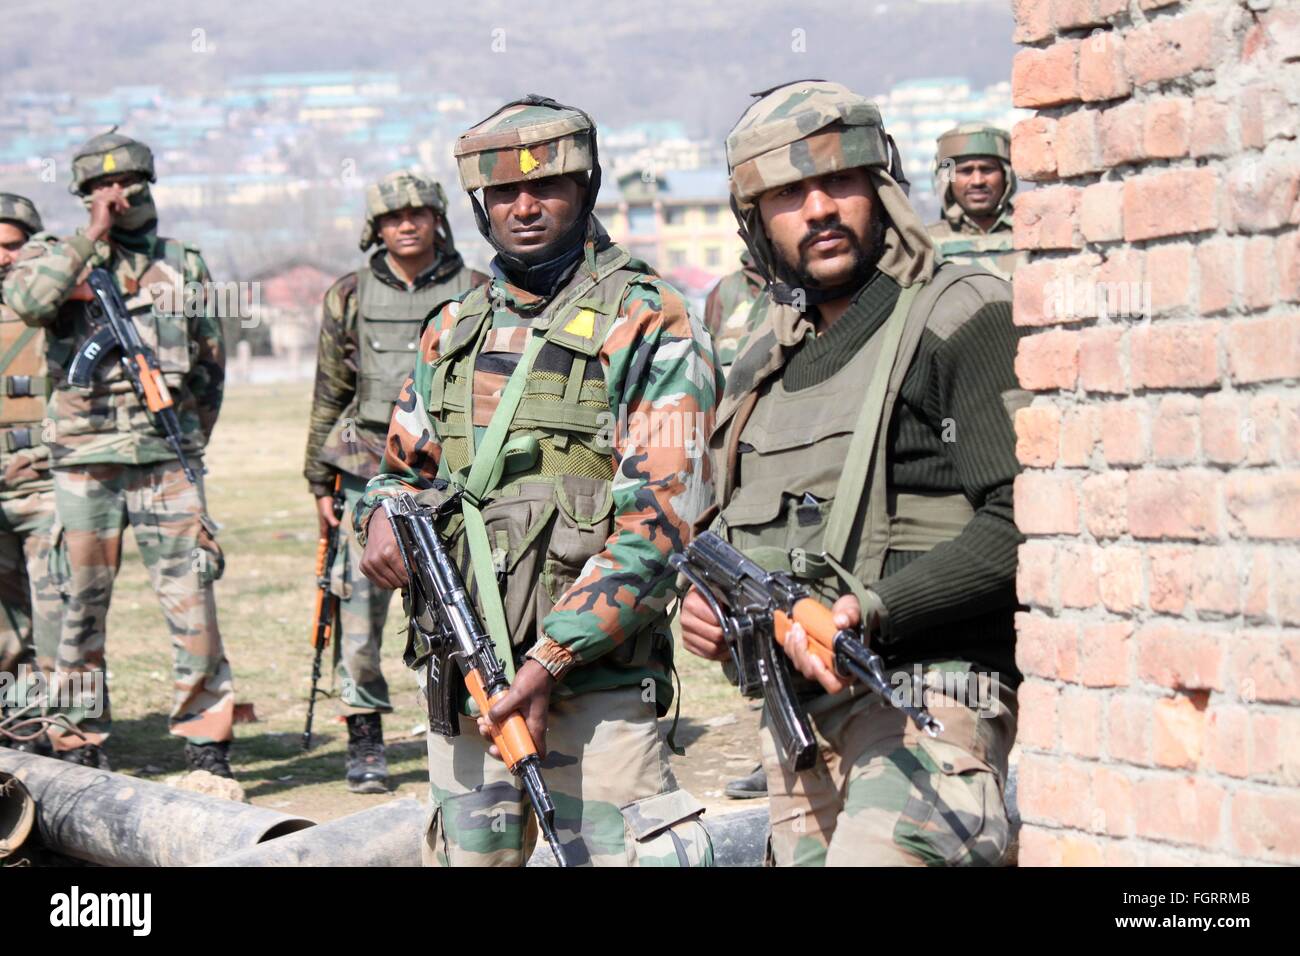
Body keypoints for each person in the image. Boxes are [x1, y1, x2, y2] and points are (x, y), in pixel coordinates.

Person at [356, 95, 721, 866]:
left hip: (595, 686)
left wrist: (547, 661)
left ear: (584, 190)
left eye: (547, 187)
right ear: (480, 206)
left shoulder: (648, 318)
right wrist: (382, 514)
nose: (525, 207)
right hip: (466, 681)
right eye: (503, 194)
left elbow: (662, 523)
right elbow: (401, 469)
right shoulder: (453, 329)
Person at [679, 81, 1024, 866]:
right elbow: (726, 531)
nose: (820, 208)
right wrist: (705, 606)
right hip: (795, 724)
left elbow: (1024, 521)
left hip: (928, 698)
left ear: (881, 186)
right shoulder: (765, 356)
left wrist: (868, 609)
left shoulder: (959, 313)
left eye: (839, 181)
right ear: (756, 220)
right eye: (788, 194)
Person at [1, 130, 233, 775]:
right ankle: (77, 740)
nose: (117, 196)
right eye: (101, 189)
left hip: (166, 460)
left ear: (147, 185)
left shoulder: (182, 262)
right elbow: (27, 301)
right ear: (82, 196)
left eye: (127, 184)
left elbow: (211, 365)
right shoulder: (56, 256)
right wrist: (90, 236)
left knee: (192, 599)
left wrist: (189, 443)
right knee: (77, 606)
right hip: (81, 465)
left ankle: (206, 741)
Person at [303, 170, 487, 792]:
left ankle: (473, 718)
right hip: (360, 469)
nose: (406, 224)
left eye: (418, 213)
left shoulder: (479, 290)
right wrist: (317, 482)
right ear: (375, 228)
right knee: (358, 611)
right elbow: (330, 391)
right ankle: (365, 740)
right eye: (392, 216)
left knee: (463, 601)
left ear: (439, 218)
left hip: (449, 471)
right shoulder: (348, 296)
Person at [0, 193, 60, 753]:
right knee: (5, 626)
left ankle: (71, 732)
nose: (1, 258)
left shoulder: (58, 310)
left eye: (12, 246)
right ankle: (18, 731)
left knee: (59, 615)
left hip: (46, 484)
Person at [925, 123, 1025, 280]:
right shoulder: (926, 243)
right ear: (948, 179)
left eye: (987, 169)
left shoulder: (1033, 233)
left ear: (1006, 176)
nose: (977, 181)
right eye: (965, 171)